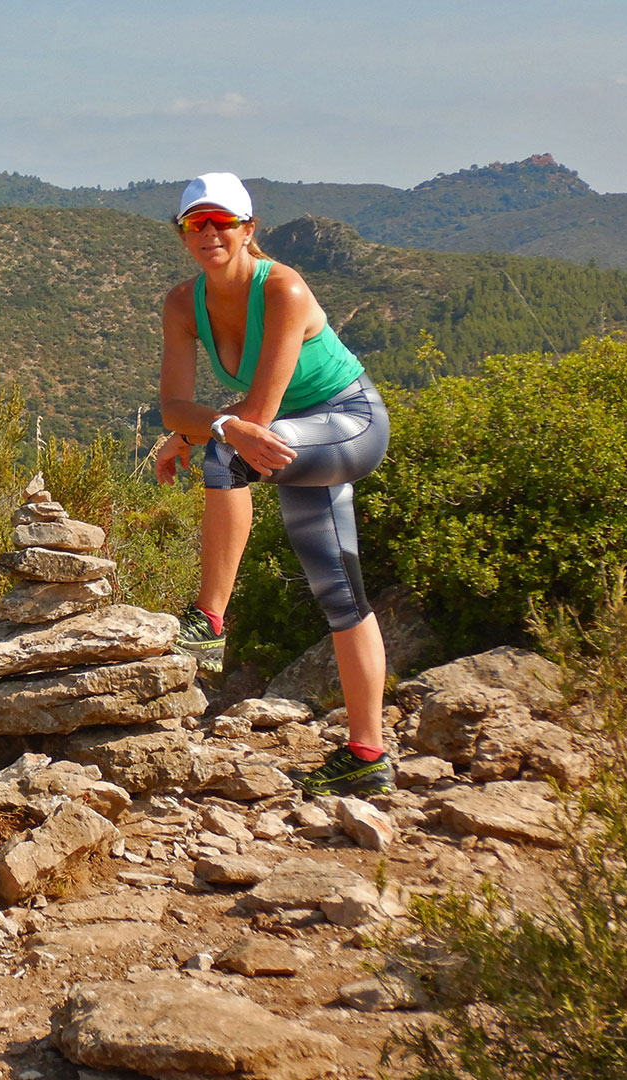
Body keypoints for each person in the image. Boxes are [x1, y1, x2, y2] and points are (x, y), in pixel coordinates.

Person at [151, 172, 395, 796]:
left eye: (222, 223)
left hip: (349, 422)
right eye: (196, 224)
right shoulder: (183, 304)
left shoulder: (281, 288)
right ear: (183, 234)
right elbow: (173, 406)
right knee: (338, 590)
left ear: (247, 229)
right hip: (284, 433)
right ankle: (368, 755)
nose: (209, 234)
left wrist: (207, 431)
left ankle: (207, 619)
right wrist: (193, 428)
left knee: (227, 458)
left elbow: (251, 418)